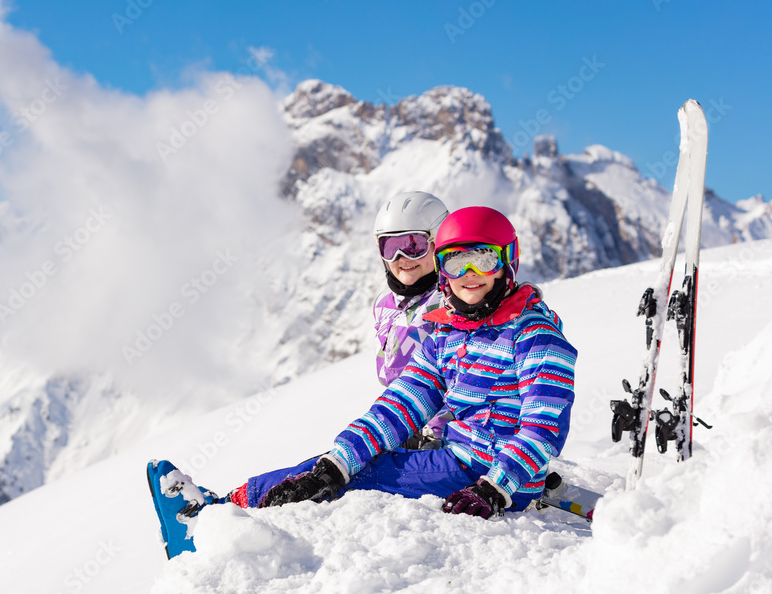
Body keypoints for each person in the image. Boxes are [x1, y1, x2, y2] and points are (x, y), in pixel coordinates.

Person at [148, 207, 578, 558]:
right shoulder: (447, 331)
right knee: (332, 469)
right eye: (454, 260)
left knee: (360, 477)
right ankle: (226, 506)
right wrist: (337, 461)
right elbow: (403, 401)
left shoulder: (535, 336)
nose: (469, 273)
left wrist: (495, 488)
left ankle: (211, 523)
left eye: (482, 259)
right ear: (442, 268)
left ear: (507, 261)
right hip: (460, 462)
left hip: (487, 478)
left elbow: (544, 426)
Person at [372, 191, 449, 387]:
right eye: (390, 247)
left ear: (438, 243)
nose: (402, 258)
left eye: (414, 245)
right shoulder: (383, 304)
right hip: (402, 410)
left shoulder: (451, 301)